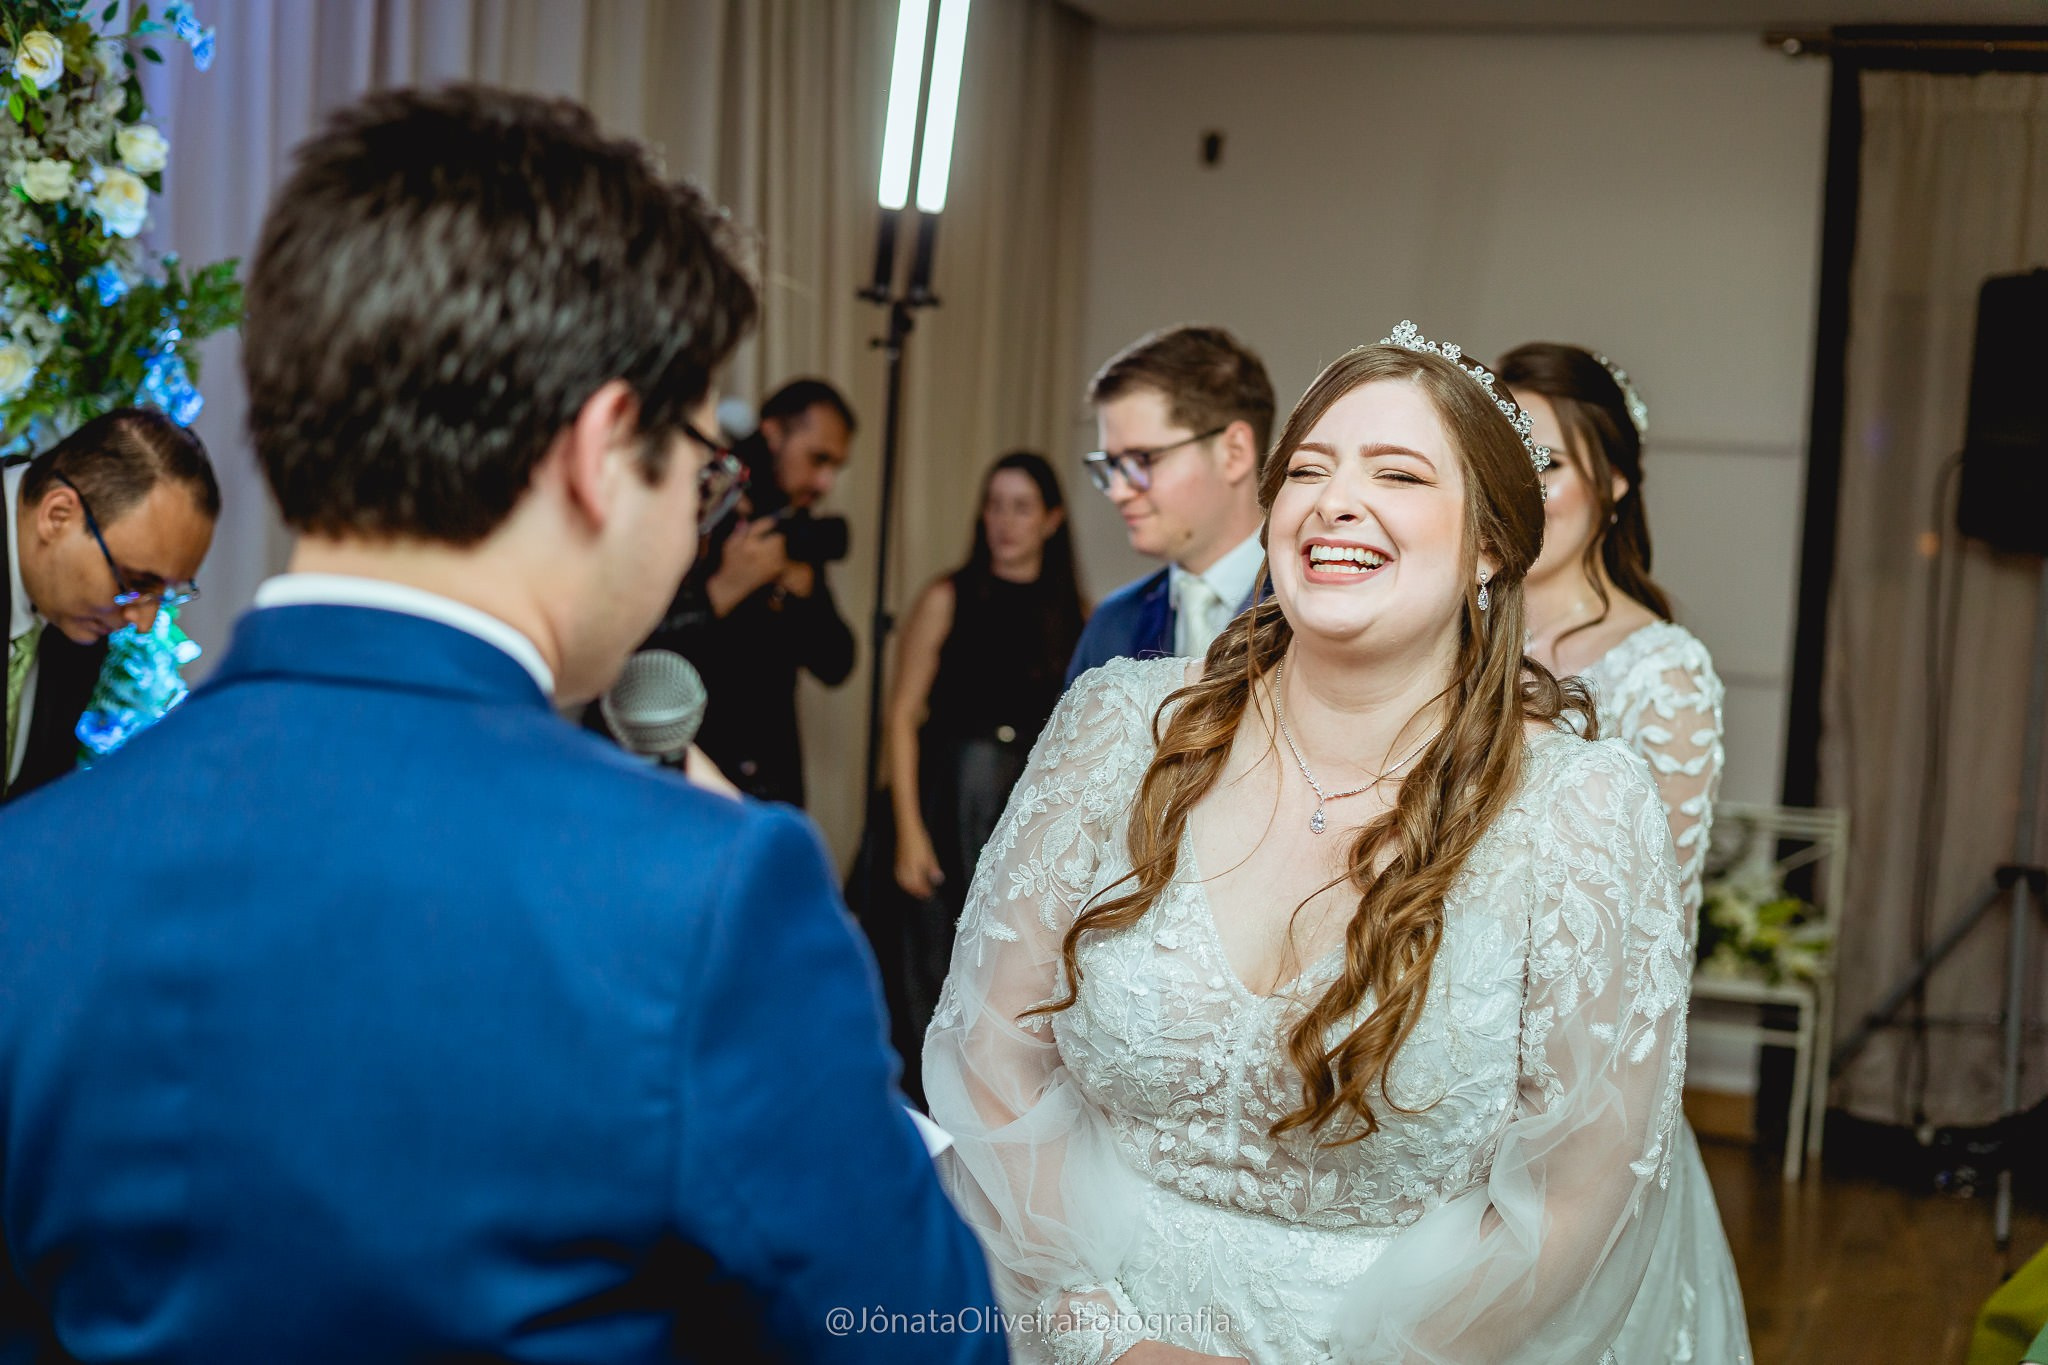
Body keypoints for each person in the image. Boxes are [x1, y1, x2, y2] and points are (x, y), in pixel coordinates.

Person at [0, 85, 999, 1364]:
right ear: (600, 449)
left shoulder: (32, 873)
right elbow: (921, 1336)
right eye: (700, 459)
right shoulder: (705, 893)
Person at [926, 323, 1697, 1363]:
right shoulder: (1115, 730)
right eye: (1308, 469)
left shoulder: (1580, 809)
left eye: (1398, 473)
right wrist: (1100, 1336)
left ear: (1489, 546)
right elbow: (990, 1058)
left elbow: (1577, 1188)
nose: (1336, 499)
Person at [1498, 340, 1750, 1362]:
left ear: (1612, 479)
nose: (1521, 486)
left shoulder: (1663, 673)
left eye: (1547, 462)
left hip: (1572, 1089)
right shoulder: (1445, 632)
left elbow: (1654, 941)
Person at [870, 451, 1087, 1101]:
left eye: (1021, 507)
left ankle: (985, 1130)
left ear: (1051, 519)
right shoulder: (947, 596)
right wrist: (908, 829)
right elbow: (902, 715)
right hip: (939, 803)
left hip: (1019, 810)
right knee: (926, 974)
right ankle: (920, 1122)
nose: (1004, 521)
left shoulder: (1079, 612)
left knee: (1005, 978)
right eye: (994, 505)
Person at [620, 377, 858, 807]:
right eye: (817, 459)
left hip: (769, 775)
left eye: (835, 467)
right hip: (680, 773)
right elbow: (630, 650)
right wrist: (724, 590)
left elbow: (838, 663)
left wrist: (802, 593)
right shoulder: (694, 500)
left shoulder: (786, 524)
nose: (824, 482)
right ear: (772, 433)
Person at [3, 407, 216, 803]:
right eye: (136, 583)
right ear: (57, 516)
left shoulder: (78, 622)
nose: (143, 621)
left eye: (165, 595)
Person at [1065, 325, 1273, 683]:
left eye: (1142, 459)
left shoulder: (1309, 610)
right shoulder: (1113, 624)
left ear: (1234, 453)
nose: (1118, 491)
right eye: (1112, 465)